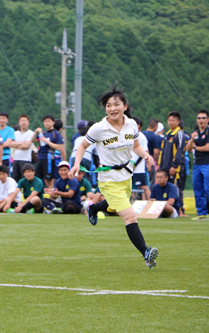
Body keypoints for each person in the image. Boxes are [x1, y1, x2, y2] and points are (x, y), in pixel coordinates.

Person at [69, 82, 158, 269]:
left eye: (116, 104)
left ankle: (92, 209)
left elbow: (135, 146)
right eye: (108, 105)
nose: (112, 108)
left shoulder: (132, 124)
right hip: (108, 178)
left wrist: (146, 155)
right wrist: (76, 164)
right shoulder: (99, 128)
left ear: (125, 106)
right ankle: (146, 253)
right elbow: (83, 146)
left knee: (113, 205)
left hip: (126, 174)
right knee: (129, 215)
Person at [158, 111, 186, 215]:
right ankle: (168, 210)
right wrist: (160, 166)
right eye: (169, 120)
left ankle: (180, 211)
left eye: (173, 120)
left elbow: (179, 151)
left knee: (176, 189)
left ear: (178, 122)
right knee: (166, 188)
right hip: (164, 167)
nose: (170, 122)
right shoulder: (167, 134)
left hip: (174, 168)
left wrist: (174, 166)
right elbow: (162, 151)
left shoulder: (179, 134)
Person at [186, 109, 209, 220]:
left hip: (207, 163)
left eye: (203, 118)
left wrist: (196, 147)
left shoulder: (208, 132)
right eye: (199, 118)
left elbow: (207, 148)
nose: (201, 120)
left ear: (208, 120)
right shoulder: (194, 133)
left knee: (208, 188)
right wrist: (191, 139)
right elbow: (188, 149)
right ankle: (201, 213)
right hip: (197, 164)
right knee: (197, 188)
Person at [32, 114, 64, 188]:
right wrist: (36, 132)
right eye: (45, 121)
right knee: (37, 178)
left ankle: (52, 196)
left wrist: (46, 141)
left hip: (49, 158)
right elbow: (33, 140)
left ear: (53, 122)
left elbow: (58, 147)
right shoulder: (43, 133)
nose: (47, 123)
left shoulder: (56, 134)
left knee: (48, 179)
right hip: (40, 157)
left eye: (48, 121)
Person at [131, 117, 151, 200]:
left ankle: (150, 203)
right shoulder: (129, 136)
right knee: (130, 187)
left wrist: (135, 164)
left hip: (138, 168)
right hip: (129, 167)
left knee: (143, 186)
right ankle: (131, 205)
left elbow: (143, 153)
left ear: (138, 126)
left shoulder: (141, 137)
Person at [10, 115, 34, 183]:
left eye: (25, 121)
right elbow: (11, 144)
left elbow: (27, 146)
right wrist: (22, 143)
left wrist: (16, 145)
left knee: (25, 179)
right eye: (22, 121)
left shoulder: (31, 133)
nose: (23, 122)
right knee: (15, 179)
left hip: (26, 159)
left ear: (28, 123)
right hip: (16, 159)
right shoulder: (15, 133)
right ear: (19, 122)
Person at [142, 119, 158, 188]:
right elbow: (156, 152)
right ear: (155, 126)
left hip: (140, 159)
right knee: (150, 180)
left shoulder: (141, 134)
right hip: (149, 158)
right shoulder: (155, 137)